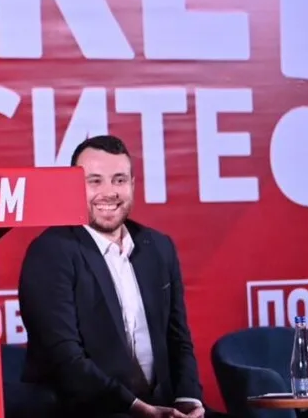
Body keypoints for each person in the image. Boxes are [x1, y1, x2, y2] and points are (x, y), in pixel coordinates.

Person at [17, 135, 229, 418]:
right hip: (88, 410)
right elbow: (63, 357)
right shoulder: (51, 251)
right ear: (73, 187)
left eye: (119, 180)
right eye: (95, 181)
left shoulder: (158, 247)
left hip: (163, 407)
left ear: (132, 185)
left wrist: (188, 399)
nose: (109, 193)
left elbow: (178, 339)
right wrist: (138, 408)